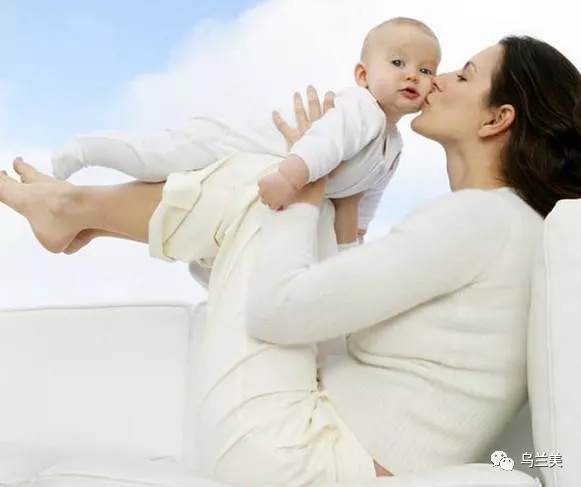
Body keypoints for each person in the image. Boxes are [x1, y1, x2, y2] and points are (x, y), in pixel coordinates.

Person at [1, 35, 581, 487]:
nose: (439, 79)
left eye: (465, 75)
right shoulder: (508, 225)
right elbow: (344, 317)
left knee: (269, 185)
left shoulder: (478, 220)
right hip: (335, 454)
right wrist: (338, 208)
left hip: (297, 458)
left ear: (497, 119)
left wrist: (303, 185)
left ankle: (73, 208)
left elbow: (277, 311)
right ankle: (75, 211)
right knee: (294, 189)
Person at [50, 16, 441, 238]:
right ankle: (85, 148)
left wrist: (354, 241)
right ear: (362, 75)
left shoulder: (393, 147)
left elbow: (365, 201)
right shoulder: (361, 108)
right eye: (398, 63)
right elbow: (324, 142)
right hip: (232, 141)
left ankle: (86, 218)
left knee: (195, 206)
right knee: (158, 159)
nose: (412, 75)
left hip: (249, 171)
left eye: (425, 70)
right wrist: (289, 177)